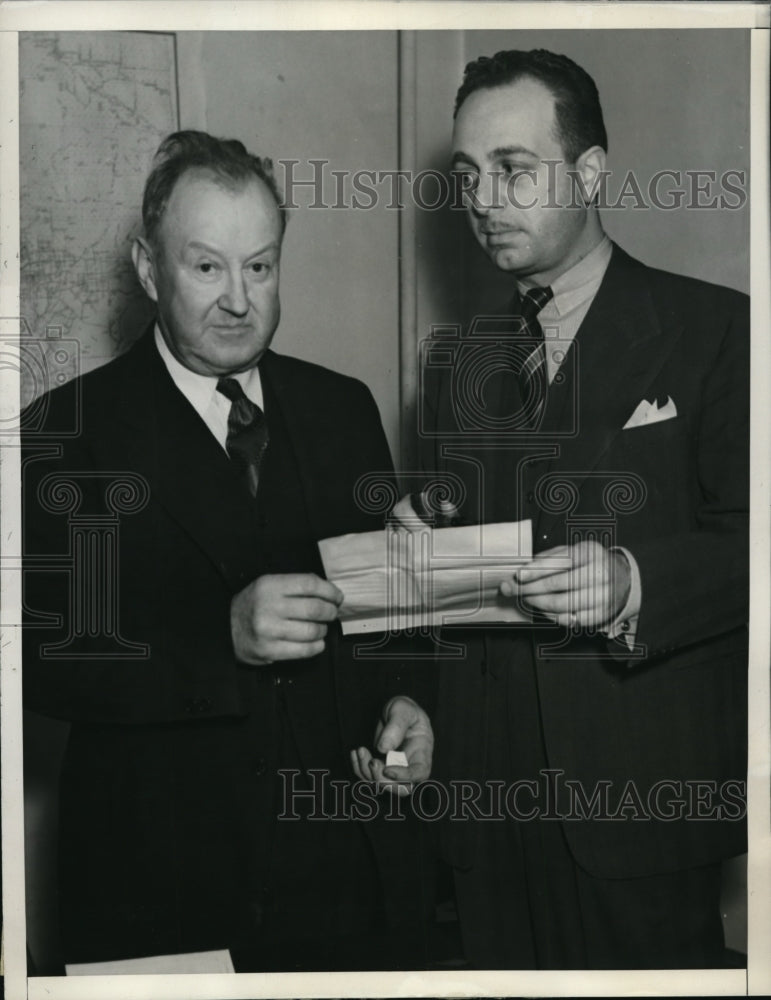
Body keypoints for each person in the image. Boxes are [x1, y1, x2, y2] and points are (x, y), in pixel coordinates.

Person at [361, 48, 748, 970]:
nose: (483, 199)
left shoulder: (717, 332)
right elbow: (462, 590)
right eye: (467, 175)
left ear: (589, 173)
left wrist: (633, 580)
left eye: (512, 169)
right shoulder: (455, 365)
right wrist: (419, 688)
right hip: (484, 826)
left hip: (637, 818)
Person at [22, 130, 433, 972]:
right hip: (161, 889)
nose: (239, 300)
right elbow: (42, 661)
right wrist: (221, 639)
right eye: (206, 267)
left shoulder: (341, 408)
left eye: (261, 266)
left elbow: (388, 623)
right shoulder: (66, 434)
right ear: (147, 269)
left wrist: (408, 706)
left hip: (340, 881)